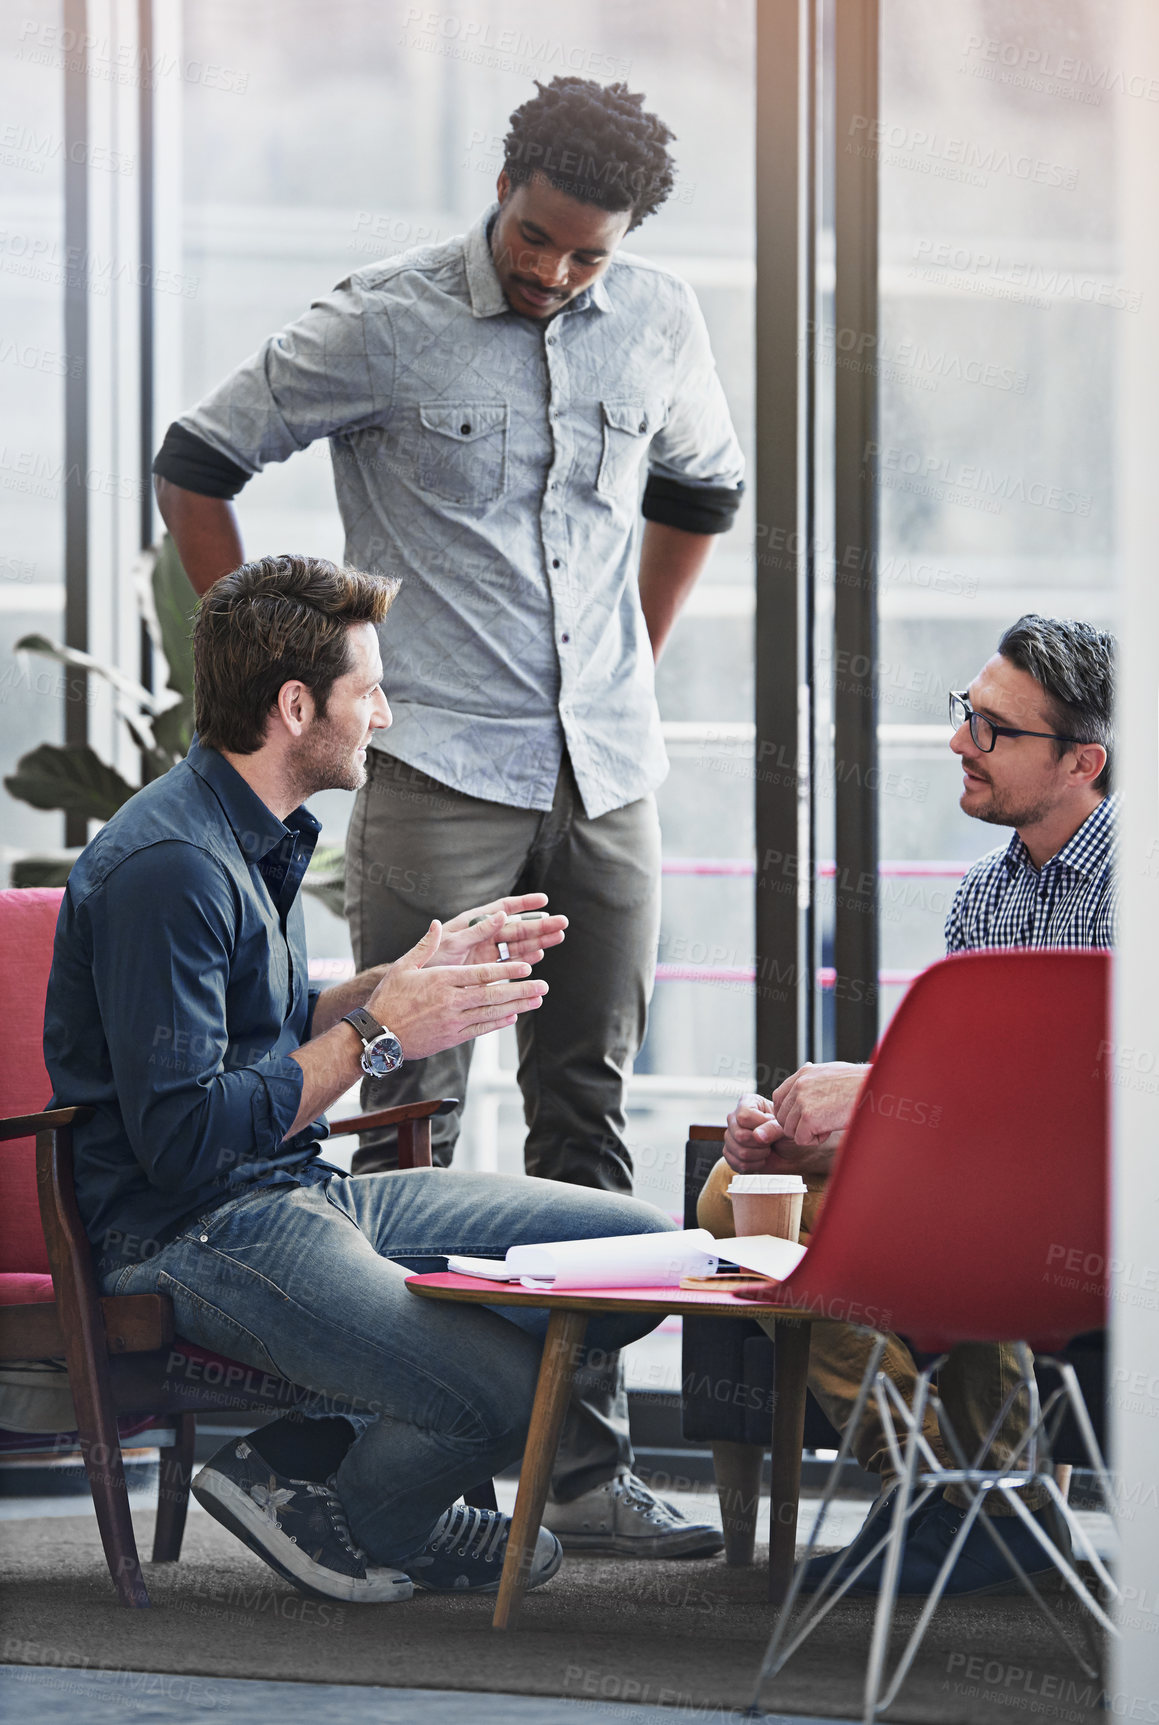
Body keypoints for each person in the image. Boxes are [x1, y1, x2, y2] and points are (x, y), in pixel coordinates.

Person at [151, 74, 742, 1556]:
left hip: (605, 769)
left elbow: (701, 492)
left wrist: (626, 666)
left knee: (586, 1105)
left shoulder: (661, 316)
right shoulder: (383, 318)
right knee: (418, 1115)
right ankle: (397, 1460)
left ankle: (580, 1468)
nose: (553, 273)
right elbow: (196, 460)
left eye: (585, 255)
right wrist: (257, 663)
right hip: (437, 774)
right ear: (505, 185)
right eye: (537, 239)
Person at [44, 554, 695, 1605]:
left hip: (294, 1193)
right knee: (505, 1386)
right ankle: (361, 1511)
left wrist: (395, 983)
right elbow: (182, 1139)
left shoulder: (247, 835)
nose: (384, 715)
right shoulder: (172, 867)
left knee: (630, 1256)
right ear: (295, 707)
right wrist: (381, 1038)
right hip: (189, 1233)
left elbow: (252, 1033)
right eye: (368, 691)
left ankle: (295, 1467)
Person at [700, 613, 1116, 1596]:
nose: (958, 742)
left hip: (1096, 1195)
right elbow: (969, 1095)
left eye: (994, 730)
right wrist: (808, 1135)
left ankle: (970, 1500)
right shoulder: (982, 893)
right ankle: (943, 1487)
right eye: (965, 713)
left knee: (959, 1212)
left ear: (1081, 762)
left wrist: (881, 1097)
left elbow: (1094, 1109)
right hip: (986, 1172)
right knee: (735, 1189)